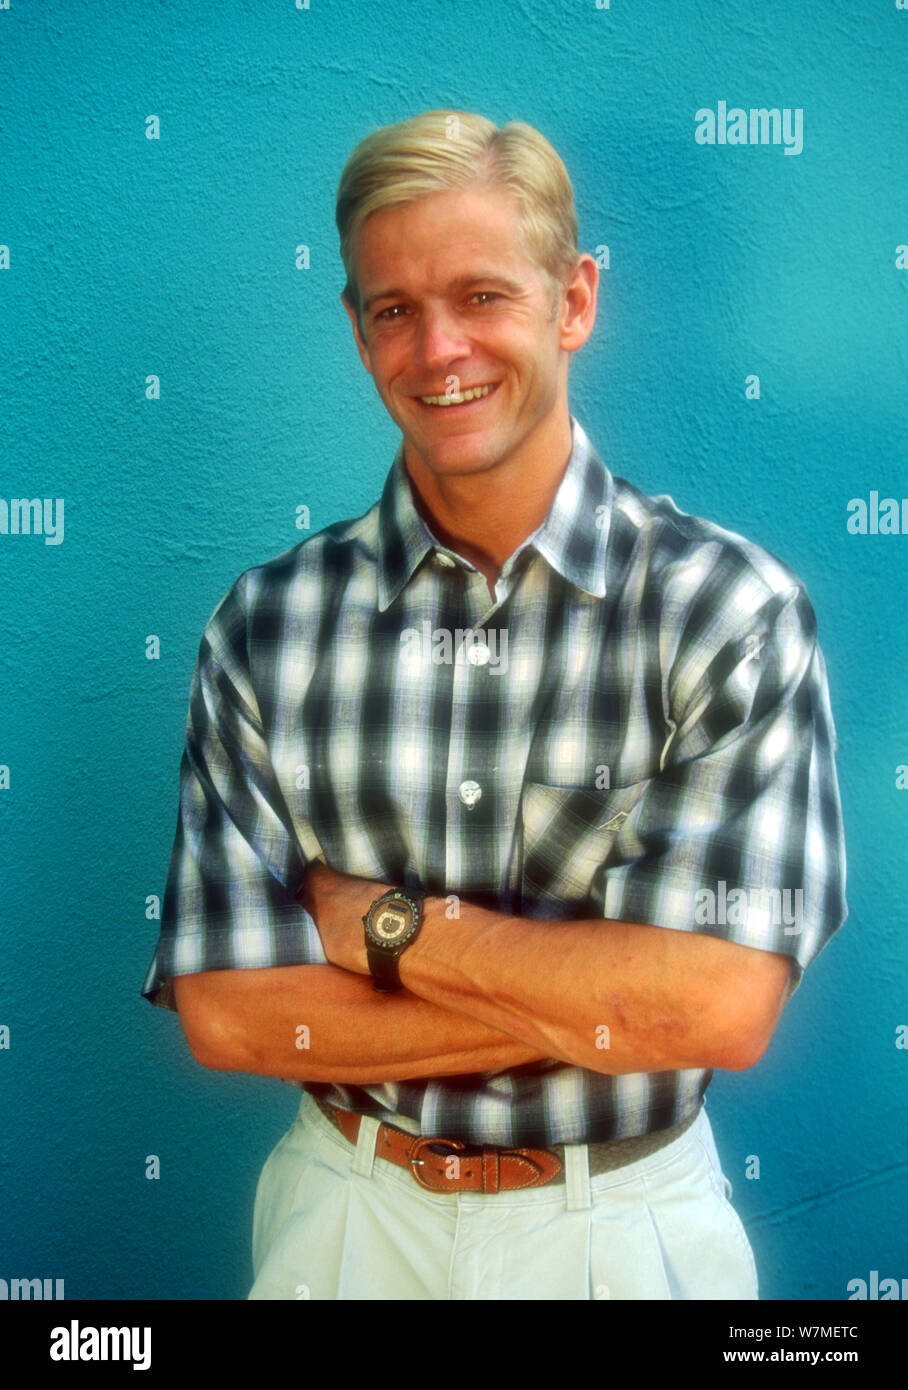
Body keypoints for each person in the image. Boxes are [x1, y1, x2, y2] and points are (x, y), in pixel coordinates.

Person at [141, 110, 847, 1301]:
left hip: (619, 1226)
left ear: (572, 302)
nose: (437, 350)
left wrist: (384, 929)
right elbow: (232, 1017)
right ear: (358, 333)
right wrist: (613, 998)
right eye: (394, 310)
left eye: (480, 296)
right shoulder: (264, 625)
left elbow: (719, 1007)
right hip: (345, 1219)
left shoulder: (728, 611)